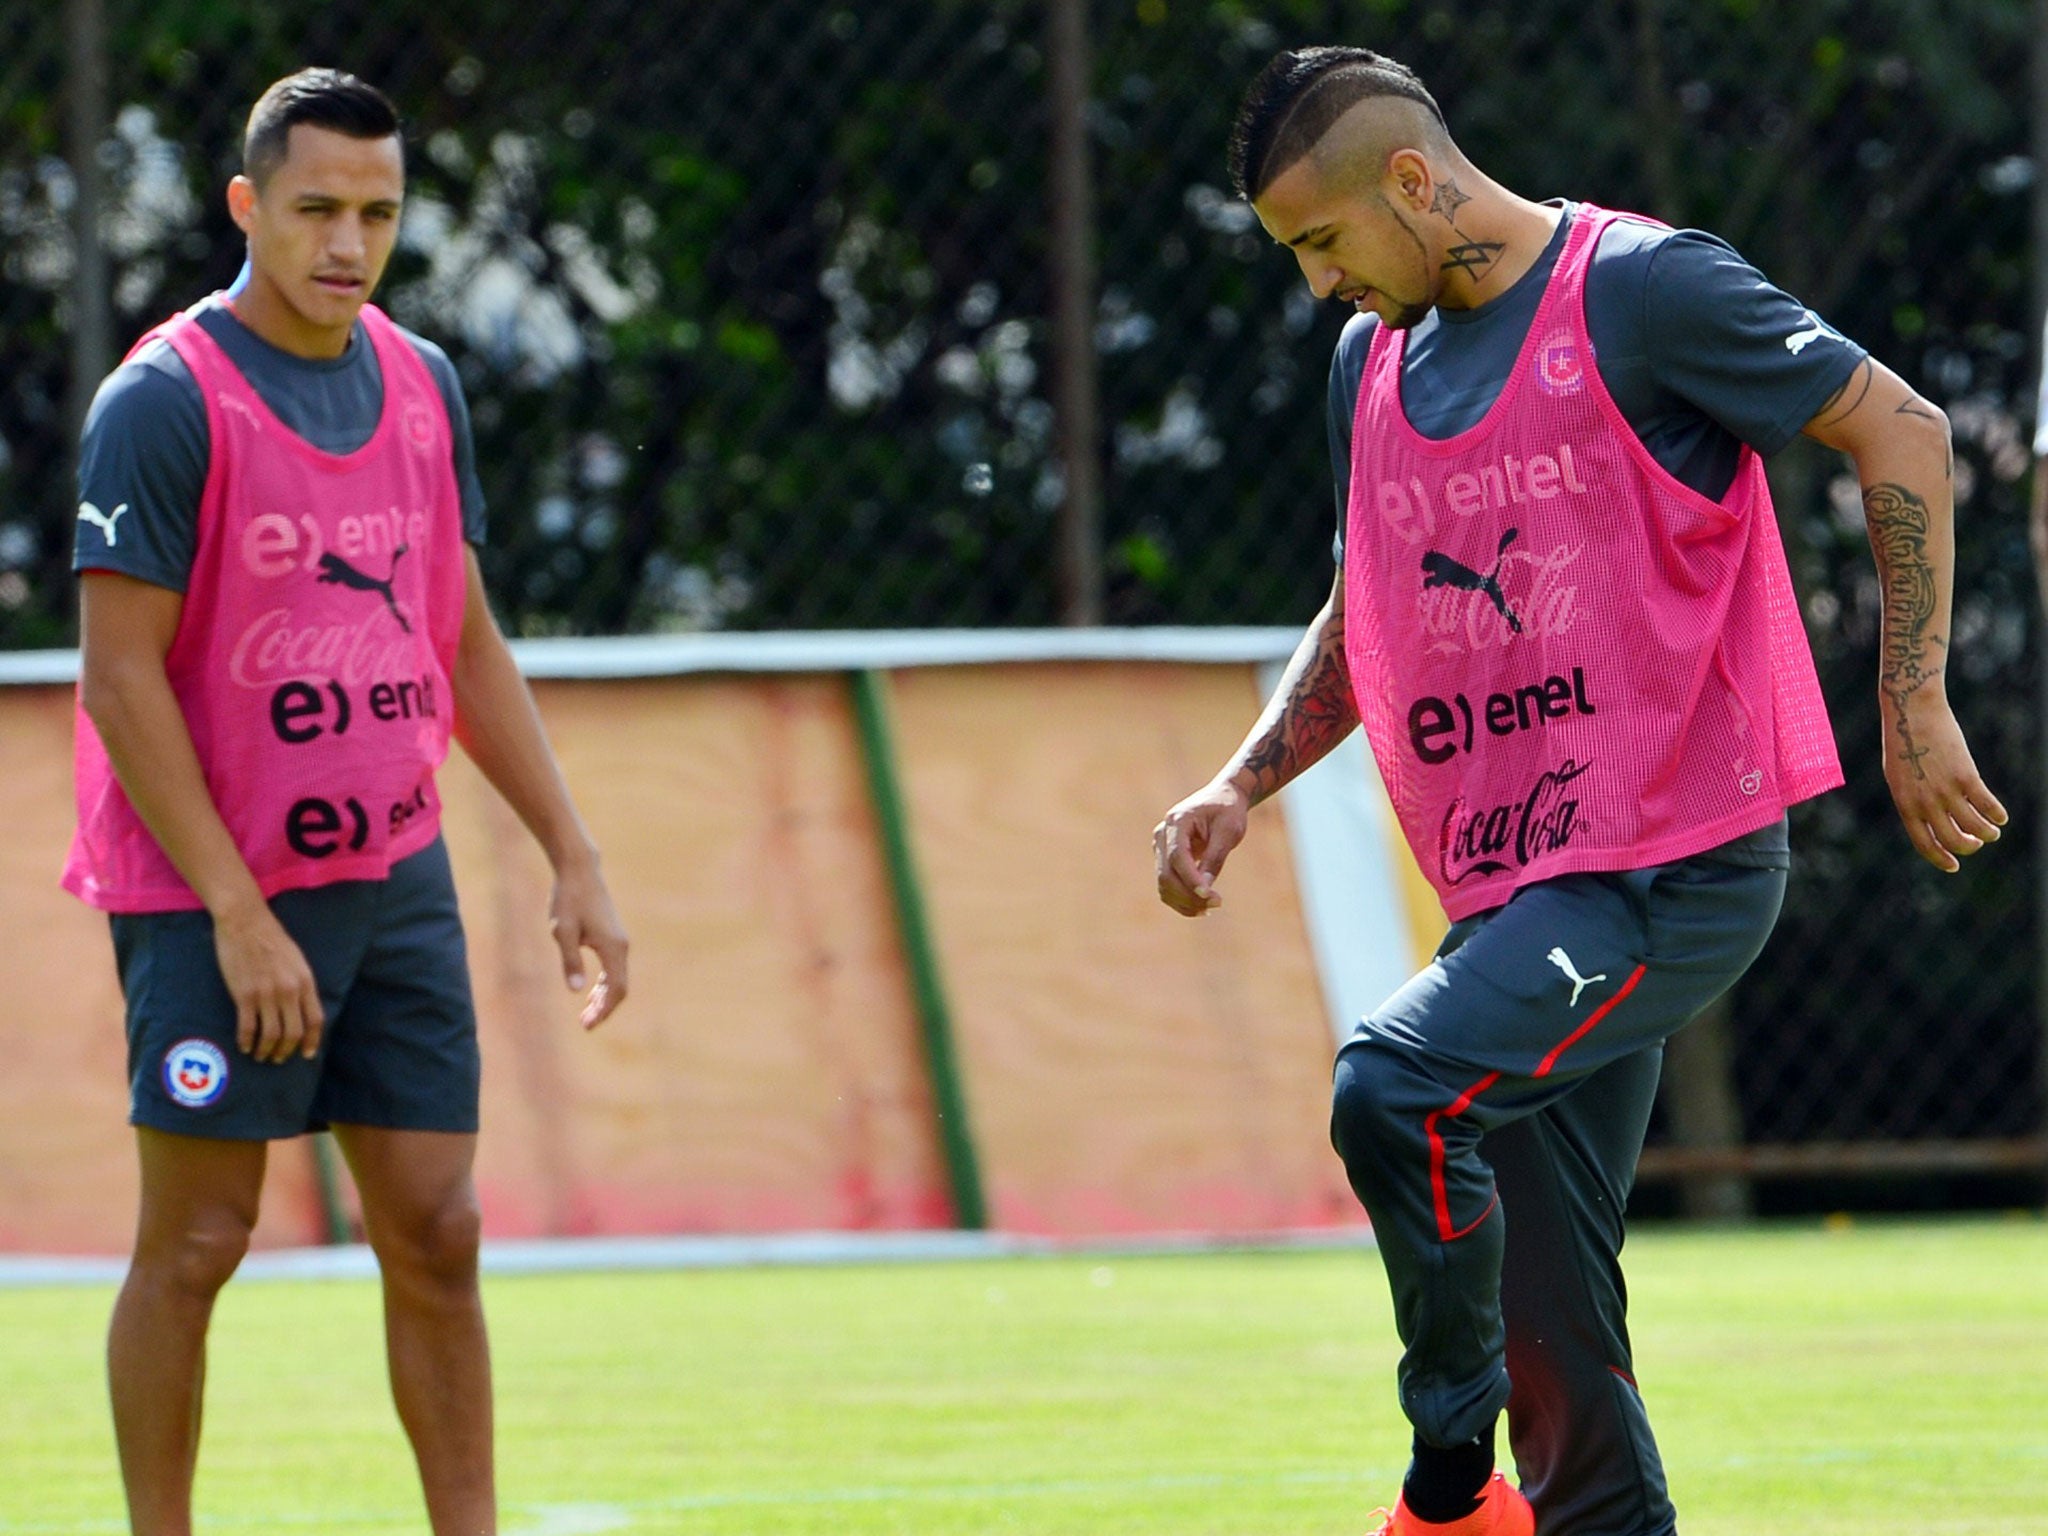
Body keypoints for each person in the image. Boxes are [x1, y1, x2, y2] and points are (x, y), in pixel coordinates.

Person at [1152, 46, 2005, 1536]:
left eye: (1323, 246)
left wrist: (1913, 697)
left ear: (1412, 184)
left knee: (1394, 1089)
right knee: (1560, 1353)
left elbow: (1905, 431)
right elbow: (1368, 609)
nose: (1316, 289)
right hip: (1517, 891)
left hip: (1671, 873)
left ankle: (1439, 1487)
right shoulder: (1374, 363)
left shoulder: (1647, 290)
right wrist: (1242, 782)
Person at [67, 69, 629, 1536]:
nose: (348, 241)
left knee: (439, 1229)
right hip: (212, 900)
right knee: (197, 1242)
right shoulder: (162, 401)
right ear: (246, 205)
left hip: (395, 880)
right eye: (316, 209)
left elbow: (463, 634)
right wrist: (238, 917)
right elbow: (120, 685)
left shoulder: (423, 381)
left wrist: (571, 851)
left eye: (377, 212)